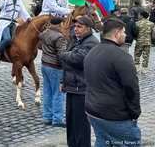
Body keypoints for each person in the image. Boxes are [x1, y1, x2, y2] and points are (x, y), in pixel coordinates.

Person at [84, 18, 141, 147]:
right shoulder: (122, 57)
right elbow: (131, 89)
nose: (125, 35)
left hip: (93, 112)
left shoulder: (91, 52)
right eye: (124, 32)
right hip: (115, 116)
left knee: (102, 141)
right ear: (116, 34)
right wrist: (135, 112)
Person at [59, 16, 99, 147]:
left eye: (79, 27)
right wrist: (63, 81)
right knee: (71, 123)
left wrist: (63, 55)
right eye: (75, 26)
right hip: (72, 87)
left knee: (80, 124)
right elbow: (68, 64)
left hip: (81, 89)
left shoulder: (91, 42)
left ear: (87, 29)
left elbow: (78, 59)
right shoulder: (76, 40)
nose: (75, 29)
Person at [0, 0, 31, 65]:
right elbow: (1, 5)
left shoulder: (19, 0)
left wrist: (28, 18)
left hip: (14, 23)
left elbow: (23, 11)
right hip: (5, 22)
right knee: (7, 38)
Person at [39, 16, 68, 127]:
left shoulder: (45, 33)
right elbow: (61, 55)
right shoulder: (59, 37)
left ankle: (47, 117)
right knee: (58, 93)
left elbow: (39, 36)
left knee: (47, 92)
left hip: (44, 65)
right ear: (60, 24)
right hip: (55, 67)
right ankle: (57, 119)